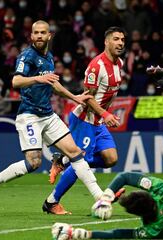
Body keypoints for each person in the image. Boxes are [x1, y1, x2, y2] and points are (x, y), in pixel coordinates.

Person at [52, 67, 163, 239]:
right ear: (150, 195)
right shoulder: (161, 190)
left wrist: (82, 234)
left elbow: (121, 234)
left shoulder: (156, 229)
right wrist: (106, 198)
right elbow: (126, 177)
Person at [0, 20, 104, 211]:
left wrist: (74, 97)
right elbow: (16, 81)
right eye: (36, 33)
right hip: (29, 115)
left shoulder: (49, 57)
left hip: (48, 115)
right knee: (33, 162)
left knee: (75, 153)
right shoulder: (27, 56)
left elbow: (53, 84)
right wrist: (37, 78)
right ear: (31, 36)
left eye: (43, 33)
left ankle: (100, 198)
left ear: (49, 36)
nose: (39, 36)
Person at [43, 27, 126, 215]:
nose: (120, 43)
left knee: (110, 158)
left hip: (98, 121)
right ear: (106, 42)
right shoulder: (97, 66)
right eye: (116, 39)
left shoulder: (119, 63)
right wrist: (106, 114)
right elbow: (87, 98)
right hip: (84, 120)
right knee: (81, 161)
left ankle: (63, 160)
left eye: (122, 39)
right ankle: (51, 201)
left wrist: (103, 116)